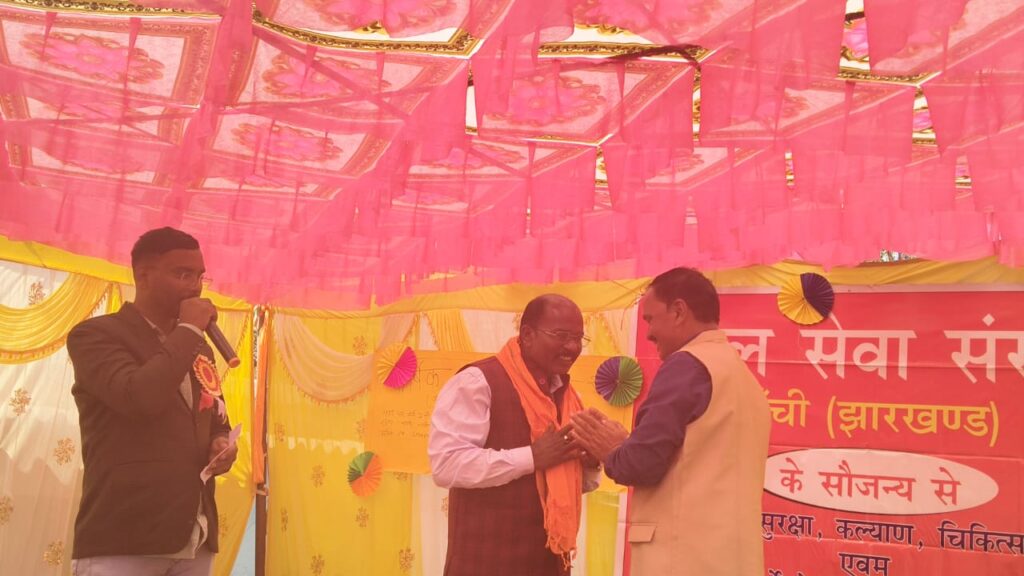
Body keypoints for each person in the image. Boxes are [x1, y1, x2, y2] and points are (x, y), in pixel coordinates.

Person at [571, 267, 771, 576]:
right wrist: (627, 445)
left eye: (651, 319)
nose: (649, 333)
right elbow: (689, 458)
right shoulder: (743, 378)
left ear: (678, 311)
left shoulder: (687, 365)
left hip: (683, 558)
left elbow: (641, 465)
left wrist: (612, 450)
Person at [66, 227, 237, 576]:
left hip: (195, 536)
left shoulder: (199, 347)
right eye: (183, 274)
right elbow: (139, 397)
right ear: (143, 276)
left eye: (200, 276)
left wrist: (221, 443)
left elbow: (217, 418)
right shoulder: (96, 336)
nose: (195, 287)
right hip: (125, 536)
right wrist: (188, 330)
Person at [429, 294, 599, 576]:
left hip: (550, 564)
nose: (572, 347)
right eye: (561, 336)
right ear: (527, 335)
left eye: (578, 338)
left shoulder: (568, 397)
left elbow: (564, 488)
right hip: (486, 564)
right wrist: (531, 457)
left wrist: (588, 462)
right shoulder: (477, 382)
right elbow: (446, 465)